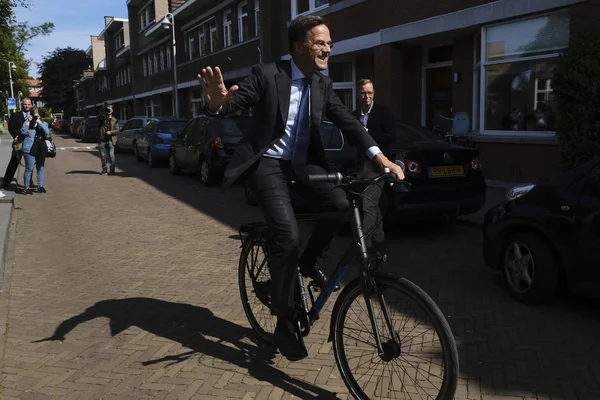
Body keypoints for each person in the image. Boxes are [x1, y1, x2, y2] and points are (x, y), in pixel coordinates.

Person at [197, 15, 404, 361]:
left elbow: (349, 123)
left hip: (302, 164)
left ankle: (308, 264)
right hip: (268, 164)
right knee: (287, 236)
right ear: (299, 47)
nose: (328, 48)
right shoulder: (267, 75)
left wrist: (381, 158)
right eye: (321, 43)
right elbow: (231, 103)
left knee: (342, 207)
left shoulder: (322, 83)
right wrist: (216, 102)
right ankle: (283, 321)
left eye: (329, 43)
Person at [352, 79, 396, 255]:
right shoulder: (355, 115)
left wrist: (369, 134)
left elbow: (391, 137)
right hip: (361, 165)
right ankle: (379, 239)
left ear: (374, 93)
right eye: (363, 93)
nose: (367, 96)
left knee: (368, 205)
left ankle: (364, 245)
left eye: (369, 93)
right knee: (372, 204)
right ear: (358, 95)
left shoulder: (383, 113)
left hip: (378, 166)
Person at [1, 98, 34, 189]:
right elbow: (11, 128)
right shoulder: (16, 115)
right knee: (14, 162)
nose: (27, 106)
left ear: (31, 105)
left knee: (30, 163)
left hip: (30, 143)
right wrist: (17, 137)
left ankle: (29, 182)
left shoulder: (33, 115)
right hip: (19, 143)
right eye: (25, 104)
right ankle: (6, 182)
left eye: (28, 104)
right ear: (22, 105)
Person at [20, 108, 51, 195]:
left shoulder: (43, 123)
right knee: (29, 169)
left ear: (39, 116)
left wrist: (39, 122)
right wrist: (27, 123)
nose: (35, 117)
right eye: (34, 115)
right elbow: (23, 132)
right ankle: (26, 188)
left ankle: (40, 186)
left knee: (40, 168)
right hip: (29, 149)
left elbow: (47, 132)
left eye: (37, 116)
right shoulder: (28, 123)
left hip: (40, 149)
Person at [98, 104, 119, 175]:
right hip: (103, 139)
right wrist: (103, 111)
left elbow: (117, 130)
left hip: (111, 139)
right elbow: (98, 119)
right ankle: (104, 169)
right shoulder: (102, 118)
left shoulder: (115, 120)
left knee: (111, 156)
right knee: (103, 155)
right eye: (107, 109)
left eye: (110, 109)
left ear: (112, 110)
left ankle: (112, 169)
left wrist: (110, 132)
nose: (109, 111)